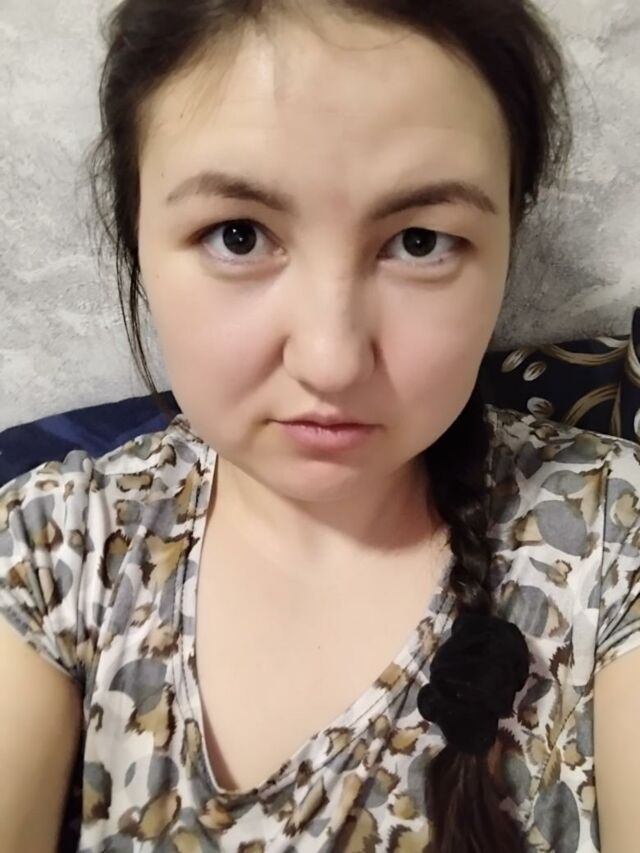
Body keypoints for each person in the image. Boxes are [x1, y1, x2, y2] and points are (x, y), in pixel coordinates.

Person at [1, 0, 638, 851]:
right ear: (138, 239)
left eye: (420, 241)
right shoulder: (56, 549)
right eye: (238, 235)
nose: (332, 361)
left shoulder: (610, 538)